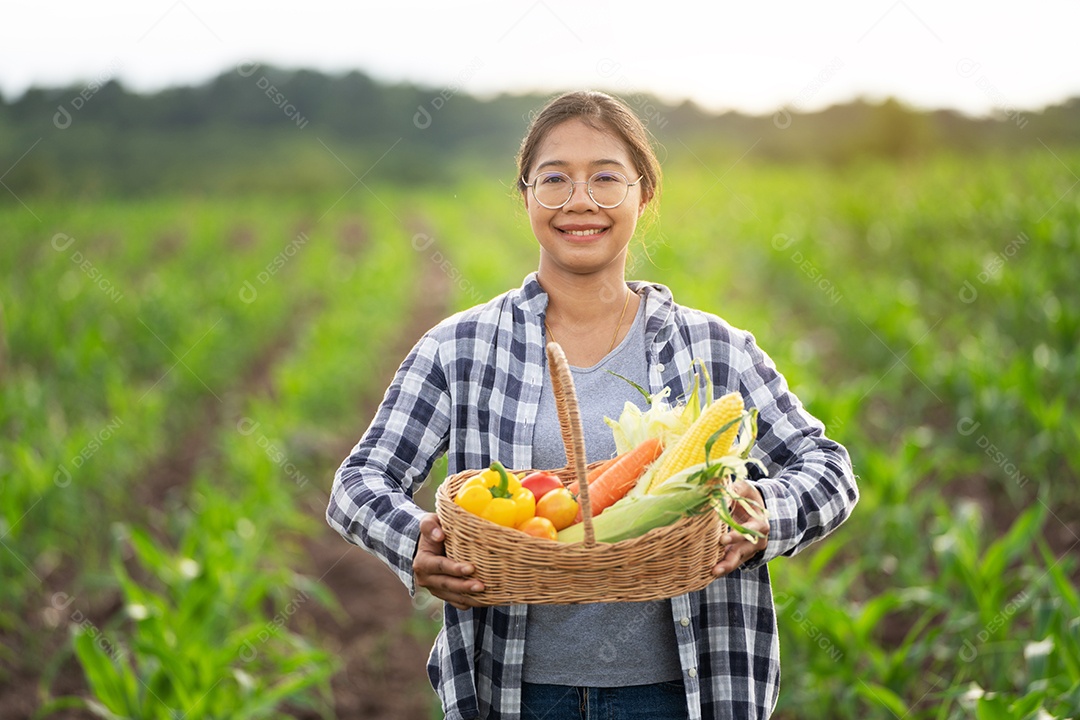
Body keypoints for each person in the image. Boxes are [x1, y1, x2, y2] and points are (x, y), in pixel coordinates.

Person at [327, 90, 858, 720]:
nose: (580, 201)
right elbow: (357, 483)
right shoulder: (459, 349)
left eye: (606, 178)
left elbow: (829, 468)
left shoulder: (715, 350)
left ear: (644, 194)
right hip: (515, 694)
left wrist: (763, 513)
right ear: (525, 196)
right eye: (554, 180)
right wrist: (417, 541)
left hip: (686, 692)